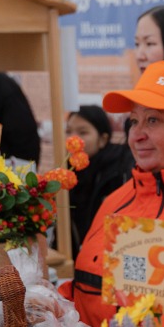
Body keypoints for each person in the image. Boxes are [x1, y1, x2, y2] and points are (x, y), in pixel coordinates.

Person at [62, 61, 164, 327]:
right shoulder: (115, 200)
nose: (137, 135)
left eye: (153, 120)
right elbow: (87, 289)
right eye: (134, 121)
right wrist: (53, 306)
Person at [65, 104, 134, 243]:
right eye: (68, 131)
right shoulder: (66, 173)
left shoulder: (118, 172)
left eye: (83, 133)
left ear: (103, 139)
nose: (73, 140)